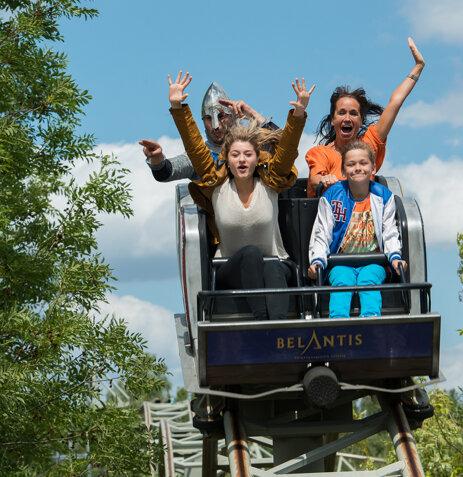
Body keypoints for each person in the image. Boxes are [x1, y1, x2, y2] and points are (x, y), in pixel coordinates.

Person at [168, 70, 314, 320]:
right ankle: (259, 323)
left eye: (248, 154)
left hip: (276, 268)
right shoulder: (216, 182)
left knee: (273, 267)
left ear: (258, 158)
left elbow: (287, 149)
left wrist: (298, 113)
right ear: (227, 158)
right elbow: (194, 146)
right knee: (251, 254)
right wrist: (178, 107)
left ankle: (276, 330)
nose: (242, 160)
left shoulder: (270, 181)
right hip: (229, 269)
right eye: (235, 155)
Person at [305, 37, 425, 198]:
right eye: (341, 113)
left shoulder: (368, 143)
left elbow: (395, 103)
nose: (347, 118)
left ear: (361, 120)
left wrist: (418, 68)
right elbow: (315, 179)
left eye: (353, 113)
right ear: (333, 120)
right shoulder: (321, 153)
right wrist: (324, 179)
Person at [307, 140, 407, 318]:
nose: (358, 168)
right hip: (341, 262)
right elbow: (322, 234)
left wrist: (395, 257)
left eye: (363, 163)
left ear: (373, 168)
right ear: (343, 171)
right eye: (351, 164)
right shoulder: (331, 197)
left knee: (368, 280)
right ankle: (338, 323)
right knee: (342, 281)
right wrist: (318, 262)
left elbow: (390, 232)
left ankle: (370, 320)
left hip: (373, 261)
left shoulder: (384, 197)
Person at [139, 82, 277, 182]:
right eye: (209, 118)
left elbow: (284, 146)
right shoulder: (198, 156)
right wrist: (156, 159)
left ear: (233, 117)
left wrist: (251, 113)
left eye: (221, 116)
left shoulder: (251, 149)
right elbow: (165, 173)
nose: (216, 126)